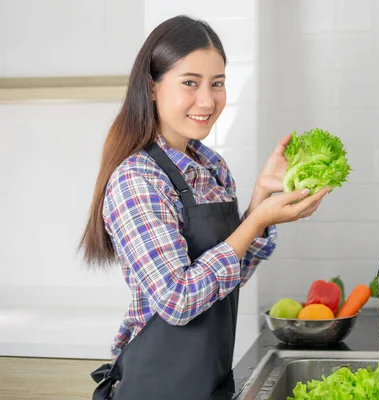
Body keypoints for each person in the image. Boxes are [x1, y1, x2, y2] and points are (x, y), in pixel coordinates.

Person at [79, 15, 328, 400]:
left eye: (218, 84)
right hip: (155, 389)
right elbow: (179, 301)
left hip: (208, 383)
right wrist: (258, 219)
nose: (207, 100)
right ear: (152, 87)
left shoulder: (212, 168)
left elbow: (229, 276)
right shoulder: (136, 180)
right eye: (190, 83)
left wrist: (261, 196)